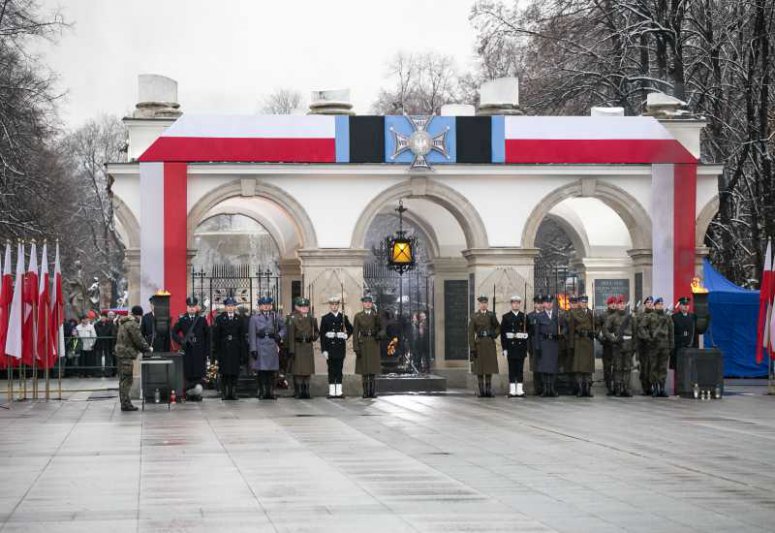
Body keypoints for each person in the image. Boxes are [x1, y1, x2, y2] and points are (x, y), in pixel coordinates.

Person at [172, 297, 210, 401]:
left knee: (199, 373)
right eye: (190, 307)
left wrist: (207, 352)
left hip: (199, 350)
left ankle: (197, 394)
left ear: (196, 307)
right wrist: (181, 340)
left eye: (194, 306)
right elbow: (173, 332)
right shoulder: (182, 319)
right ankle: (189, 394)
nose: (192, 308)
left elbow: (208, 336)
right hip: (188, 350)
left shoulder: (202, 320)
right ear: (187, 307)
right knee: (189, 373)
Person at [114, 305, 152, 411]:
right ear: (139, 315)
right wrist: (148, 349)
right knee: (127, 379)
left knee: (123, 379)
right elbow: (138, 339)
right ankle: (126, 404)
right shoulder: (132, 324)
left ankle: (124, 402)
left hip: (121, 353)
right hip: (126, 354)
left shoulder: (124, 322)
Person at [249, 296, 286, 400]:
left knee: (271, 371)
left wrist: (278, 335)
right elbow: (252, 335)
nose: (266, 306)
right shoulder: (254, 318)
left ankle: (271, 392)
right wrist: (253, 349)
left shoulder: (275, 316)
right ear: (260, 306)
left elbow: (284, 328)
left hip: (271, 345)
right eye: (263, 305)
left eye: (268, 305)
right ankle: (262, 391)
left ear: (271, 305)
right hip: (260, 346)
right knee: (261, 372)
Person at [212, 297, 247, 400]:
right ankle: (225, 393)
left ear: (235, 307)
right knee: (224, 372)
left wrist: (243, 352)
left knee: (234, 372)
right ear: (225, 307)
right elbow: (216, 337)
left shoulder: (239, 319)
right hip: (224, 349)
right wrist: (216, 352)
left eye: (232, 306)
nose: (230, 308)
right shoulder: (220, 319)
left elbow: (242, 336)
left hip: (235, 348)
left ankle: (233, 392)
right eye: (228, 306)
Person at [320, 296, 353, 398]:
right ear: (330, 306)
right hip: (330, 348)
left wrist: (345, 335)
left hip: (339, 348)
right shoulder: (325, 318)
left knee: (339, 369)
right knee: (331, 369)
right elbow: (322, 335)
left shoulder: (343, 317)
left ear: (338, 305)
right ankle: (331, 391)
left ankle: (339, 391)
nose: (334, 306)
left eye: (336, 304)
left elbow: (351, 329)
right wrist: (324, 349)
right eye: (332, 304)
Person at [287, 297, 319, 399]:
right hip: (298, 346)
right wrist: (291, 350)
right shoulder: (293, 319)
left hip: (308, 346)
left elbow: (317, 331)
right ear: (298, 308)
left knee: (307, 370)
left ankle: (306, 391)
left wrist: (315, 336)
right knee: (299, 371)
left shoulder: (312, 318)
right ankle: (300, 391)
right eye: (302, 307)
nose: (305, 308)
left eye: (306, 306)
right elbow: (290, 336)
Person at [468, 295, 500, 398]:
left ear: (487, 304)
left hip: (489, 343)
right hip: (479, 344)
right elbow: (471, 333)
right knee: (480, 368)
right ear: (479, 304)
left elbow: (498, 327)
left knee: (488, 367)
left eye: (485, 303)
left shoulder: (491, 315)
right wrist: (472, 348)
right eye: (482, 303)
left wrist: (494, 334)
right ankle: (481, 390)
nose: (483, 305)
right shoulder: (474, 316)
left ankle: (488, 390)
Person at [532, 295, 564, 397]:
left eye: (551, 302)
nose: (549, 304)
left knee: (553, 368)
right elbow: (536, 333)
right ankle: (546, 389)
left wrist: (561, 333)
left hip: (554, 343)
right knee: (544, 368)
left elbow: (565, 327)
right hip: (544, 343)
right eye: (547, 302)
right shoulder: (539, 316)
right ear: (544, 304)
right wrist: (537, 346)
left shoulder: (556, 316)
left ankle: (552, 389)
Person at [604, 295, 635, 397]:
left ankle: (626, 388)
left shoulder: (630, 317)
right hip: (618, 346)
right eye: (619, 304)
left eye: (623, 304)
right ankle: (617, 388)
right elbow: (606, 330)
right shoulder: (612, 317)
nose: (621, 305)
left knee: (627, 368)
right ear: (616, 305)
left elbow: (635, 331)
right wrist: (613, 339)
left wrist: (634, 346)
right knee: (617, 367)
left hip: (628, 345)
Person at [352, 295, 382, 398]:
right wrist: (356, 347)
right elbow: (355, 333)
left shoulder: (376, 315)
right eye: (365, 302)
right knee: (364, 370)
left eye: (369, 302)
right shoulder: (358, 316)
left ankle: (372, 392)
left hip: (373, 343)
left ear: (372, 303)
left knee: (372, 370)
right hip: (363, 343)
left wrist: (379, 334)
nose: (368, 304)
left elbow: (381, 328)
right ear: (363, 304)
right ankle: (365, 392)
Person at [500, 295, 529, 398]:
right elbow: (503, 334)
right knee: (512, 368)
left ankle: (520, 390)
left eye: (517, 303)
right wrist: (504, 348)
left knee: (520, 369)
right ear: (511, 304)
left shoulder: (524, 317)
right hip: (511, 347)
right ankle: (512, 390)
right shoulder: (506, 317)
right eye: (514, 303)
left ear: (520, 304)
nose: (515, 304)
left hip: (520, 347)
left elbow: (529, 332)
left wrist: (525, 338)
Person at [568, 295, 595, 397]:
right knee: (579, 368)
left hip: (588, 342)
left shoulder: (591, 313)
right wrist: (571, 345)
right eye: (582, 302)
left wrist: (594, 333)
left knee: (588, 368)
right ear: (579, 303)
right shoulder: (574, 313)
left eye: (586, 302)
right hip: (579, 342)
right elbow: (571, 330)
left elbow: (595, 325)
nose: (584, 304)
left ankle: (587, 389)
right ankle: (580, 389)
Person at [650, 297, 674, 397]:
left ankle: (662, 388)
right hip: (654, 345)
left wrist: (671, 344)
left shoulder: (667, 317)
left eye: (661, 304)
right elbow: (645, 328)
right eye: (658, 304)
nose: (660, 305)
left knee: (663, 368)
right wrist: (649, 339)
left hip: (665, 345)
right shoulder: (651, 316)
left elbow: (671, 331)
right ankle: (655, 388)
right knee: (654, 367)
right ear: (655, 305)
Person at [597, 296, 618, 395]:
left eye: (615, 303)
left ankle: (617, 386)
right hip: (607, 345)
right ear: (608, 304)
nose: (613, 304)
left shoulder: (619, 315)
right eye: (611, 303)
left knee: (617, 367)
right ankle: (609, 386)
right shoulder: (603, 316)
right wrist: (601, 339)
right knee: (607, 367)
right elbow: (597, 329)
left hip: (618, 345)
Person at [636, 296, 655, 395]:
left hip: (654, 346)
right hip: (643, 346)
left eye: (651, 302)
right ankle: (645, 388)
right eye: (648, 302)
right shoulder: (640, 316)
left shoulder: (656, 315)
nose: (650, 304)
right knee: (644, 368)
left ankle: (652, 387)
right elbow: (638, 329)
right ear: (645, 304)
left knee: (653, 368)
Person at [527, 295, 543, 395]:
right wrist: (529, 347)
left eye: (541, 303)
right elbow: (528, 333)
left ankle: (545, 388)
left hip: (544, 344)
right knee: (535, 368)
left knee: (544, 366)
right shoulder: (530, 316)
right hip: (533, 344)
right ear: (534, 304)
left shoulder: (547, 314)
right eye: (537, 303)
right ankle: (537, 389)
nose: (539, 305)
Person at [94, 312, 117, 377]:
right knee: (98, 358)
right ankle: (98, 373)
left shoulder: (110, 324)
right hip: (99, 343)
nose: (103, 318)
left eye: (104, 317)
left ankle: (108, 372)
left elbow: (112, 333)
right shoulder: (96, 324)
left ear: (106, 318)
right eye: (102, 317)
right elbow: (96, 333)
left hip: (108, 343)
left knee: (108, 358)